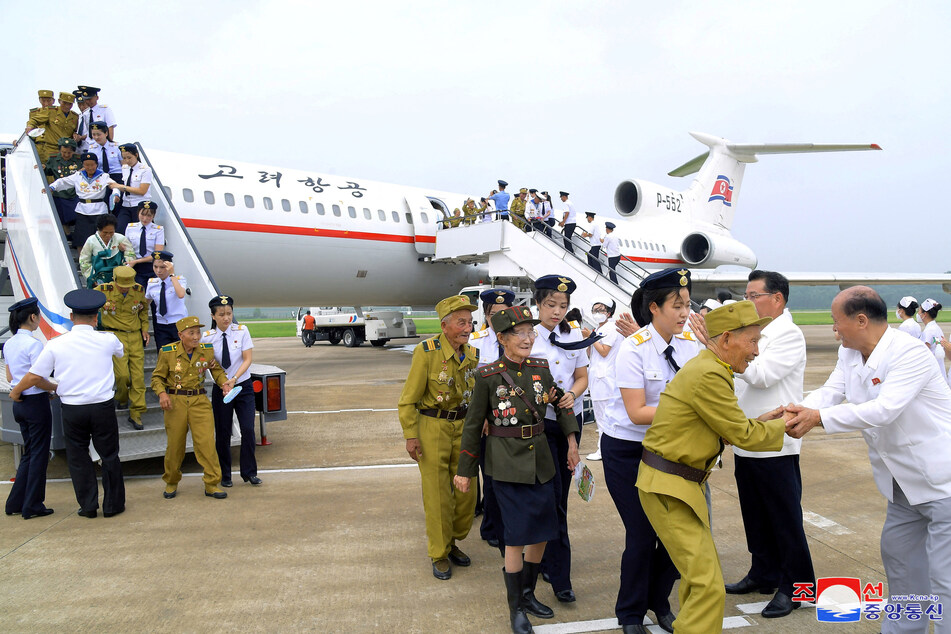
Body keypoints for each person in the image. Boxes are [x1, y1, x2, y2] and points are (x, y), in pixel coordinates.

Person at [786, 286, 951, 632]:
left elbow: (885, 409)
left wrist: (819, 419)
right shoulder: (849, 353)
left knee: (945, 578)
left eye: (836, 322)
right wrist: (799, 408)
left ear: (861, 320)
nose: (834, 329)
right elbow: (832, 391)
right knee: (901, 564)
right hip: (902, 486)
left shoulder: (909, 353)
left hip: (942, 482)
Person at [636, 301, 788, 634]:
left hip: (675, 484)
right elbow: (742, 435)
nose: (756, 352)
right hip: (669, 487)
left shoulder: (710, 366)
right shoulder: (709, 373)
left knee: (699, 576)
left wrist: (756, 422)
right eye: (753, 341)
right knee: (707, 583)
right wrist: (786, 425)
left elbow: (718, 426)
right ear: (729, 338)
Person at [454, 306, 581, 634]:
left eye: (530, 332)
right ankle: (515, 611)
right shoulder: (488, 376)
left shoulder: (540, 369)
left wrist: (571, 442)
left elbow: (561, 404)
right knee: (515, 538)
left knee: (542, 531)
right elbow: (472, 427)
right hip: (506, 464)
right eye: (519, 333)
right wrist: (465, 471)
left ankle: (527, 594)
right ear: (502, 338)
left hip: (541, 462)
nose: (527, 339)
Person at [599, 269, 702, 634]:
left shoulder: (691, 343)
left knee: (676, 535)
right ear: (654, 308)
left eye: (688, 305)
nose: (684, 313)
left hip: (673, 450)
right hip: (628, 451)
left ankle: (658, 601)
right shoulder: (633, 348)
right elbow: (638, 412)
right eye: (677, 306)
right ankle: (629, 614)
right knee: (642, 534)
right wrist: (691, 410)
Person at [725, 271, 815, 619]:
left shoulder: (788, 334)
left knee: (785, 518)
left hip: (777, 442)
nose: (748, 302)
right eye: (746, 295)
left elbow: (761, 374)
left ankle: (798, 587)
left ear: (777, 298)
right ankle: (763, 573)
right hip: (747, 437)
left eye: (754, 295)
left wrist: (728, 351)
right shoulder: (756, 332)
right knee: (756, 515)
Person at [10, 289, 127, 519]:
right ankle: (113, 505)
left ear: (72, 317)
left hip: (73, 408)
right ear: (96, 318)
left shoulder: (56, 344)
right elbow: (120, 354)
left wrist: (17, 391)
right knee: (109, 454)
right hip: (102, 405)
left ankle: (88, 505)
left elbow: (34, 376)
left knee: (78, 456)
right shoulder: (108, 339)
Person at [397, 295, 480, 580]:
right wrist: (411, 435)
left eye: (469, 322)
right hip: (432, 427)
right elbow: (408, 399)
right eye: (461, 322)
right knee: (437, 494)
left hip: (463, 426)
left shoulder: (472, 354)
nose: (468, 327)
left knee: (466, 491)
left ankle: (453, 540)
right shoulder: (426, 351)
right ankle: (439, 552)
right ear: (445, 326)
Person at [530, 274, 595, 603]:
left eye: (564, 306)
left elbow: (582, 377)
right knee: (541, 499)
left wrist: (571, 393)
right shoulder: (526, 336)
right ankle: (539, 558)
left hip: (568, 425)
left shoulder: (574, 335)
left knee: (558, 501)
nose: (557, 311)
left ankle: (560, 577)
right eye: (551, 305)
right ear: (538, 304)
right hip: (536, 427)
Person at [152, 316, 234, 500]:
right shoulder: (168, 352)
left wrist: (225, 385)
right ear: (181, 335)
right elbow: (156, 378)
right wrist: (162, 394)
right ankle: (171, 481)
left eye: (198, 332)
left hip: (199, 401)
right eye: (192, 333)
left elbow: (217, 371)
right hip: (175, 403)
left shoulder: (206, 350)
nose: (196, 337)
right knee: (175, 446)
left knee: (206, 443)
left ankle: (212, 483)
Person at [469, 288, 516, 551]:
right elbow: (473, 385)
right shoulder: (476, 343)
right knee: (490, 475)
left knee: (505, 477)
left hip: (512, 420)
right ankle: (491, 526)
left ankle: (498, 524)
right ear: (486, 315)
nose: (499, 318)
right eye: (493, 314)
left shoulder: (516, 339)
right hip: (488, 422)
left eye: (504, 313)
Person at [3, 298, 58, 520]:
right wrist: (55, 388)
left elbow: (9, 376)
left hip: (19, 404)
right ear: (33, 317)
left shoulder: (9, 343)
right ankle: (33, 505)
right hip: (35, 403)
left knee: (29, 453)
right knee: (39, 455)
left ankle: (15, 502)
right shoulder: (34, 344)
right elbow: (37, 378)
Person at [201, 295, 261, 487]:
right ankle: (225, 474)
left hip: (242, 387)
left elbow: (247, 359)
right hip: (222, 389)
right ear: (213, 316)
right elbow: (207, 363)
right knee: (223, 432)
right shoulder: (207, 338)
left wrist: (234, 379)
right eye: (221, 314)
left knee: (248, 429)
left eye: (229, 313)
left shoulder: (242, 331)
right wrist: (220, 380)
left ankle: (249, 472)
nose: (226, 318)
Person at [96, 266, 150, 430]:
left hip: (134, 336)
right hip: (114, 336)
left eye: (128, 285)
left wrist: (145, 329)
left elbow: (143, 310)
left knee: (138, 377)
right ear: (114, 280)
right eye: (122, 285)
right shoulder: (103, 290)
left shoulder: (138, 290)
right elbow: (89, 304)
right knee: (121, 376)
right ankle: (121, 397)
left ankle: (136, 412)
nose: (126, 288)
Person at [47, 152, 118, 248]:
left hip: (99, 210)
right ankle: (82, 261)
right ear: (83, 165)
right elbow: (63, 181)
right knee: (80, 240)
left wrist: (116, 194)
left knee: (100, 239)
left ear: (96, 164)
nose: (90, 167)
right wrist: (51, 187)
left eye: (92, 165)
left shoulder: (104, 176)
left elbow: (114, 186)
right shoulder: (78, 175)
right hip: (82, 210)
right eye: (87, 165)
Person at [585, 299, 621, 462]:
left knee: (604, 418)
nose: (597, 312)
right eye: (594, 309)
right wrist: (588, 340)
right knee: (601, 418)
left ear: (609, 312)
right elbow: (591, 354)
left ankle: (603, 450)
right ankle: (604, 448)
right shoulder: (599, 329)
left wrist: (591, 337)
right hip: (597, 378)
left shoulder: (611, 328)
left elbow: (605, 351)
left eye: (601, 309)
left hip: (606, 379)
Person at [145, 251, 188, 350]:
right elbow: (146, 302)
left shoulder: (179, 280)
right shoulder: (152, 283)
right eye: (155, 267)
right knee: (164, 355)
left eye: (162, 267)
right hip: (161, 324)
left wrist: (172, 274)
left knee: (180, 354)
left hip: (178, 324)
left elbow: (181, 294)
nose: (158, 270)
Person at [108, 143, 152, 235]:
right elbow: (125, 185)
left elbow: (142, 191)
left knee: (139, 233)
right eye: (124, 158)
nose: (127, 161)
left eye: (129, 157)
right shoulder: (125, 168)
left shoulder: (145, 170)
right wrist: (117, 192)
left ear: (136, 155)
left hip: (139, 205)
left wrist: (121, 187)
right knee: (119, 230)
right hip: (126, 204)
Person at [78, 214, 134, 284]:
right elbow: (84, 261)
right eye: (105, 232)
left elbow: (130, 256)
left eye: (111, 232)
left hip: (118, 277)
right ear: (99, 229)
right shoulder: (91, 240)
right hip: (98, 277)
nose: (108, 235)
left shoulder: (121, 238)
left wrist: (123, 273)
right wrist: (92, 277)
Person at [124, 201, 166, 288]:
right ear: (138, 213)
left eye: (149, 216)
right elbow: (127, 248)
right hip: (134, 266)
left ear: (153, 216)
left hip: (150, 266)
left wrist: (136, 261)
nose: (145, 218)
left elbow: (157, 254)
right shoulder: (130, 227)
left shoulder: (158, 230)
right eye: (142, 214)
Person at [44, 137, 82, 231]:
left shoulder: (78, 160)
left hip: (74, 194)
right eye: (63, 152)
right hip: (59, 194)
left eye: (69, 152)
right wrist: (43, 168)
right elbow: (48, 171)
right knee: (62, 219)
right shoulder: (53, 159)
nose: (66, 155)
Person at [43, 92, 79, 163]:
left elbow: (75, 130)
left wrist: (75, 134)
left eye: (70, 104)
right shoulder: (50, 111)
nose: (67, 106)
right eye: (64, 103)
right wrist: (30, 126)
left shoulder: (75, 116)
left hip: (67, 152)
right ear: (59, 101)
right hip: (52, 149)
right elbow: (35, 120)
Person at [25, 89, 56, 163]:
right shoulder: (34, 113)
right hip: (38, 146)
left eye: (48, 101)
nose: (46, 103)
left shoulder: (57, 112)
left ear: (53, 101)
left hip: (52, 146)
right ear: (39, 100)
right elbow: (30, 128)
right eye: (43, 101)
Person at [919, 298, 947, 380]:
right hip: (939, 371)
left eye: (920, 311)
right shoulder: (936, 328)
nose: (918, 313)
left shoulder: (928, 331)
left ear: (925, 314)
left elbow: (923, 351)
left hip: (932, 373)